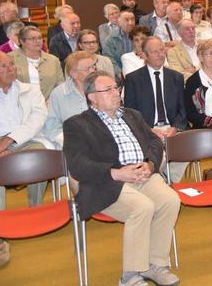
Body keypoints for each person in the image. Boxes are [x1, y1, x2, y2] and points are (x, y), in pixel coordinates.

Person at [63, 71, 181, 286]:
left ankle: (155, 264)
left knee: (170, 200)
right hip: (106, 183)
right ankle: (130, 276)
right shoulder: (77, 124)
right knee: (142, 207)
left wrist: (150, 164)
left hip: (142, 175)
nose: (115, 93)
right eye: (107, 90)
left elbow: (154, 142)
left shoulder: (132, 114)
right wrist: (115, 172)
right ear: (92, 97)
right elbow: (78, 165)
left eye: (116, 88)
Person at [0, 51, 49, 267]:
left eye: (11, 65)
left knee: (41, 154)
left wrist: (9, 141)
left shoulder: (30, 90)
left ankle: (35, 210)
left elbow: (38, 119)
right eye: (3, 66)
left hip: (23, 139)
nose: (11, 69)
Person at [123, 37, 188, 182]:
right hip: (148, 129)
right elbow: (130, 114)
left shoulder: (176, 77)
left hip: (171, 128)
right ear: (144, 56)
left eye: (162, 50)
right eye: (154, 52)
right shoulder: (133, 79)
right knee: (160, 157)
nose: (160, 55)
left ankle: (169, 182)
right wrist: (150, 130)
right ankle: (163, 183)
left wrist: (175, 128)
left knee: (187, 149)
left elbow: (182, 110)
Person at [44, 51, 95, 148]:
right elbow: (52, 127)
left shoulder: (102, 89)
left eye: (93, 67)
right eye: (88, 69)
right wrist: (70, 141)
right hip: (72, 144)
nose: (93, 71)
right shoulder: (59, 94)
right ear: (74, 74)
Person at [10, 26, 64, 100]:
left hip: (48, 104)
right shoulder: (10, 58)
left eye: (39, 38)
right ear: (22, 41)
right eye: (32, 38)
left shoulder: (53, 60)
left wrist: (50, 101)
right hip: (20, 104)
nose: (37, 41)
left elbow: (60, 85)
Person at [103, 10, 136, 79]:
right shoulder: (110, 39)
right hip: (119, 76)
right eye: (126, 20)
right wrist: (120, 73)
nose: (130, 23)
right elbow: (110, 59)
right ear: (119, 22)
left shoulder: (140, 36)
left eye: (132, 19)